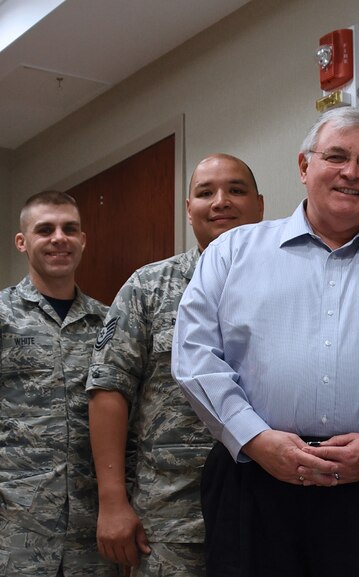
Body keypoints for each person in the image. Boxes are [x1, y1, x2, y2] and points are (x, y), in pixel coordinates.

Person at [172, 107, 359, 577]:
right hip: (253, 484)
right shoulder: (231, 254)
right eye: (336, 156)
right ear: (304, 167)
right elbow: (195, 355)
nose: (352, 172)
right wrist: (254, 438)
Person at [86, 154, 265, 576]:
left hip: (273, 511)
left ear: (259, 204)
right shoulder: (148, 288)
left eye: (236, 190)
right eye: (205, 193)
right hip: (173, 519)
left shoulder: (298, 282)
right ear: (188, 209)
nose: (220, 201)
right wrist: (112, 502)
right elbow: (108, 389)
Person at [0, 191, 114, 577]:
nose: (59, 238)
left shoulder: (108, 323)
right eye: (45, 229)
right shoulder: (3, 316)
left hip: (93, 527)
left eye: (70, 229)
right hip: (16, 526)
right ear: (22, 242)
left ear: (83, 239)